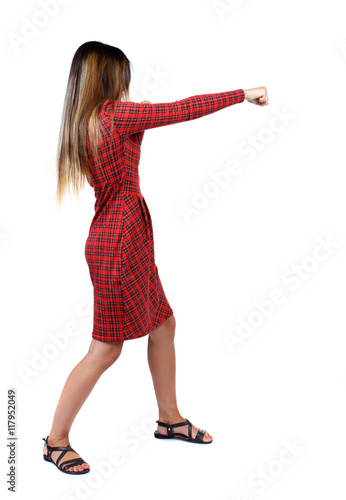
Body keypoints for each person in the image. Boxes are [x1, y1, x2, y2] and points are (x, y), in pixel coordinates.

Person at [42, 41, 269, 475]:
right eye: (121, 75)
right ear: (108, 77)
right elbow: (182, 109)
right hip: (119, 243)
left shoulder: (86, 122)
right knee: (106, 349)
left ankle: (170, 419)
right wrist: (243, 94)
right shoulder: (116, 115)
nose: (127, 84)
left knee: (163, 322)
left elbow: (144, 124)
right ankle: (55, 442)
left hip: (122, 237)